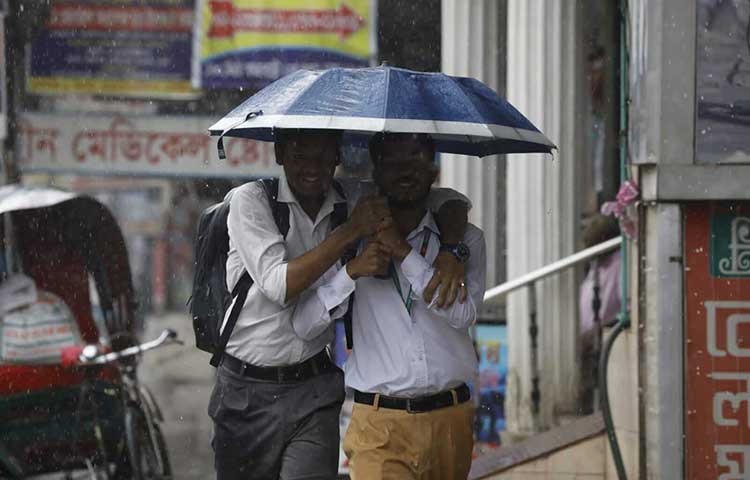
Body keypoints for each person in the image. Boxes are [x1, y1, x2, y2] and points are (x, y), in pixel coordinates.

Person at [209, 128, 471, 480]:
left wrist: (454, 250)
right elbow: (278, 285)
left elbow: (444, 200)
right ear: (281, 155)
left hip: (314, 385)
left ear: (338, 157)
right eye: (301, 156)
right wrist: (350, 231)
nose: (312, 168)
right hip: (245, 388)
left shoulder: (351, 197)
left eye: (322, 157)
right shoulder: (251, 200)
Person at [294, 132, 487, 480]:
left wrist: (406, 254)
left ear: (433, 170)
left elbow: (463, 315)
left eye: (415, 158)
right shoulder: (349, 238)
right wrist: (351, 273)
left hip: (451, 421)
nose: (405, 169)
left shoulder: (464, 241)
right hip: (379, 425)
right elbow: (304, 324)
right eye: (393, 160)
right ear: (376, 172)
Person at [578, 213, 621, 413]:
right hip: (590, 331)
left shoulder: (618, 263)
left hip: (606, 330)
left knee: (598, 382)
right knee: (585, 381)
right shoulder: (596, 266)